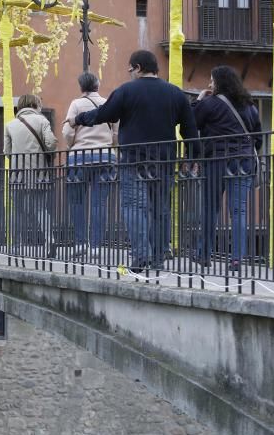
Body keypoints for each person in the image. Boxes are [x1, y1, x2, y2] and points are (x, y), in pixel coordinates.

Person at [69, 50, 198, 272]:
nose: (130, 74)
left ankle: (141, 256)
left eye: (131, 69)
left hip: (133, 159)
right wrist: (192, 157)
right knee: (161, 208)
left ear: (138, 67)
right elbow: (190, 130)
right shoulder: (175, 94)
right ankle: (158, 256)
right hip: (165, 160)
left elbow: (104, 114)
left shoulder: (126, 91)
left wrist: (78, 119)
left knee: (134, 207)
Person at [192, 65, 262, 271]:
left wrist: (198, 99)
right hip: (243, 162)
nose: (209, 84)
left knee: (209, 209)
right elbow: (257, 139)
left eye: (212, 81)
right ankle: (236, 259)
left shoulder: (210, 104)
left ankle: (204, 254)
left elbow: (191, 120)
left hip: (216, 162)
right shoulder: (250, 107)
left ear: (220, 83)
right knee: (238, 210)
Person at [62, 72, 118, 257]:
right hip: (105, 156)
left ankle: (80, 244)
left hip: (79, 156)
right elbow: (116, 131)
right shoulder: (107, 103)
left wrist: (73, 146)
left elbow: (67, 132)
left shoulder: (76, 104)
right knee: (99, 203)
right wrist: (111, 145)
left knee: (77, 202)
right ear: (97, 85)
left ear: (81, 88)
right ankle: (96, 246)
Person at [4, 94, 58, 255]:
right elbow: (50, 143)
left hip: (17, 175)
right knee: (41, 208)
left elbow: (7, 152)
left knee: (18, 210)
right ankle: (50, 240)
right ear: (35, 104)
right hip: (38, 173)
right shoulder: (42, 121)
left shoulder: (10, 125)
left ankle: (16, 245)